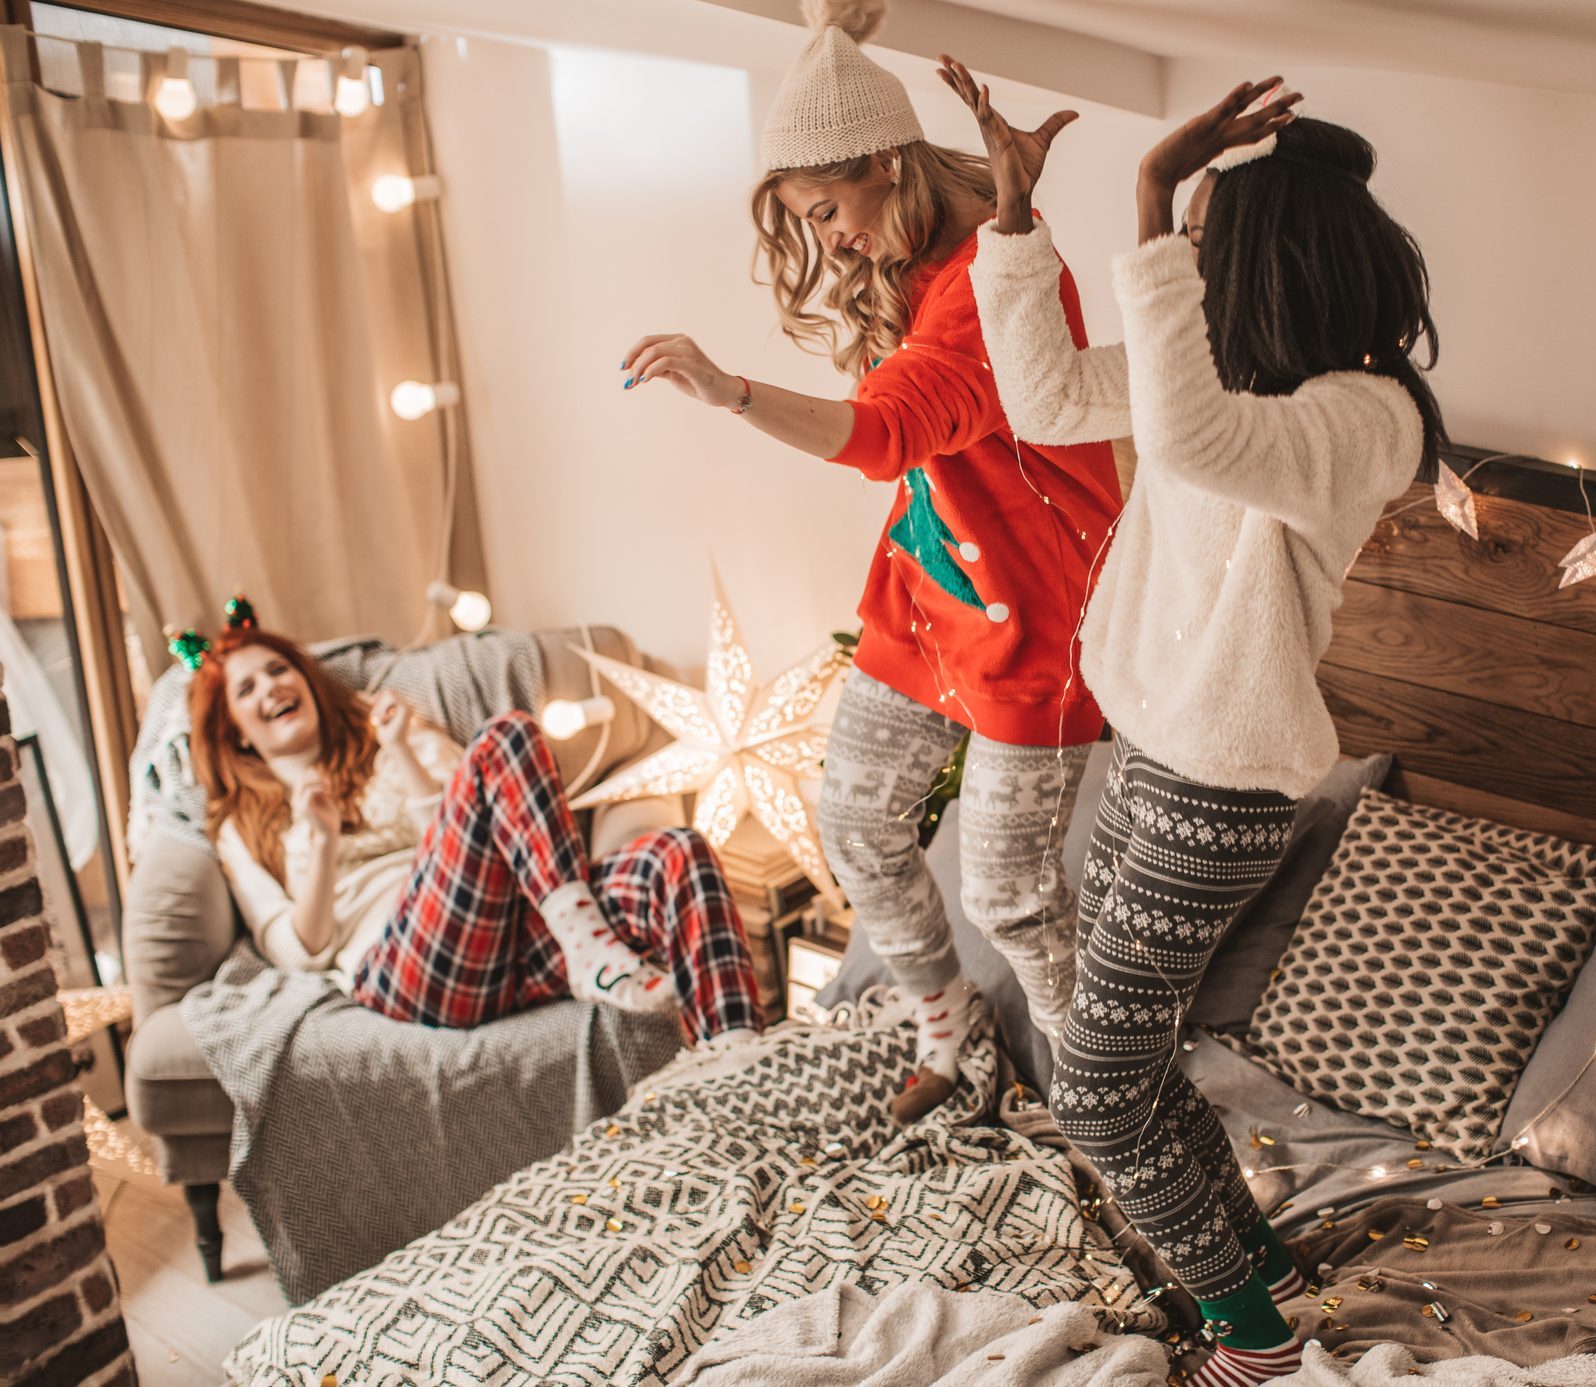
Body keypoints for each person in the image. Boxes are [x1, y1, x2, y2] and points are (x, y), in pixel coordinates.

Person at [948, 59, 1444, 1386]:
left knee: (1095, 1079)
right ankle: (1264, 1271)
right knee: (1126, 1057)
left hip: (1219, 783)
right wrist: (1012, 222)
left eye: (1207, 240)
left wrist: (1152, 196)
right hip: (1149, 745)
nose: (1187, 257)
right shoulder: (1219, 376)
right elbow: (1048, 402)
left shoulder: (1362, 417)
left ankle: (1252, 1336)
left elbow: (1198, 442)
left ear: (1263, 256)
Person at [619, 0, 1121, 1121]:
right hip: (930, 593)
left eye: (830, 210)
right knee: (852, 821)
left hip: (1033, 621)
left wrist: (732, 391)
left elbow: (890, 430)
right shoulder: (911, 256)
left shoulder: (999, 282)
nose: (830, 240)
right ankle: (948, 1022)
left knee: (1011, 898)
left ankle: (1108, 1101)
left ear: (887, 166)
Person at [182, 600, 760, 1048]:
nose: (273, 687)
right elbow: (297, 950)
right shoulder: (241, 825)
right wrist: (323, 840)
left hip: (507, 939)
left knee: (677, 853)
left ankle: (740, 1062)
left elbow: (482, 819)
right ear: (232, 726)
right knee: (506, 736)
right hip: (408, 970)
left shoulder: (391, 734)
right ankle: (589, 950)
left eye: (279, 669)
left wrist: (402, 751)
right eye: (248, 687)